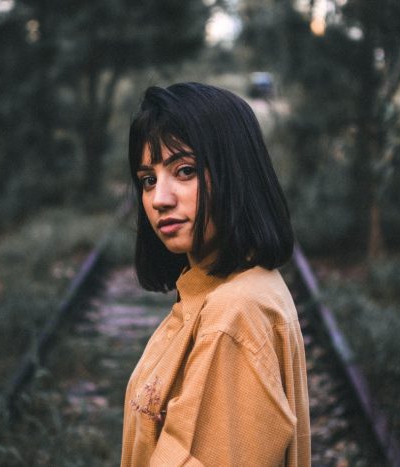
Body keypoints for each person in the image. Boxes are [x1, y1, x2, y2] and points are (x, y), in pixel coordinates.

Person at [121, 82, 310, 466]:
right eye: (148, 179)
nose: (159, 199)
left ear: (234, 174)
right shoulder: (231, 288)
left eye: (185, 170)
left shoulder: (233, 312)